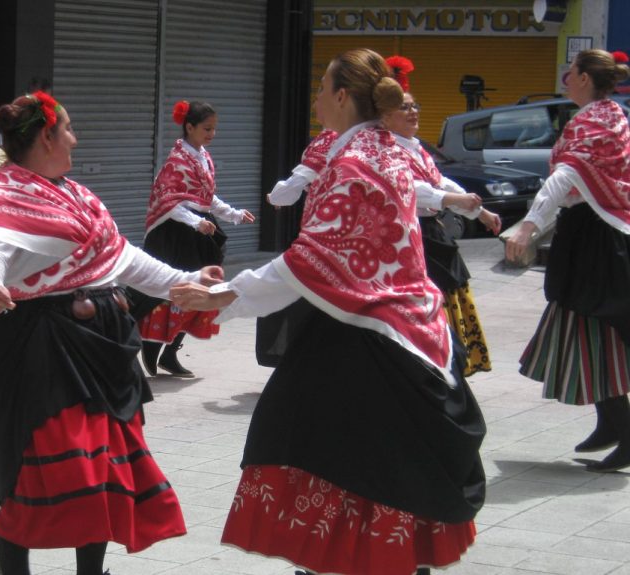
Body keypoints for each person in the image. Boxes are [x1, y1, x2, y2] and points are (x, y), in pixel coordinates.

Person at [171, 49, 485, 575]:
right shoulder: (382, 150)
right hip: (406, 326)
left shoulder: (355, 161)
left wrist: (229, 294)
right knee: (394, 466)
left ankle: (333, 562)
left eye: (322, 86)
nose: (316, 95)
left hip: (365, 334)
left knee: (326, 452)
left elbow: (310, 258)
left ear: (342, 96)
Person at [0, 91, 223, 574]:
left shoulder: (77, 196)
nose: (75, 139)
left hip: (103, 344)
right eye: (67, 129)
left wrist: (183, 282)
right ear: (47, 136)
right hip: (42, 346)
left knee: (106, 470)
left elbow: (122, 258)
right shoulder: (4, 194)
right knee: (39, 466)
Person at [506, 48, 630, 473]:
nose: (565, 79)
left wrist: (529, 225)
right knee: (581, 327)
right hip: (598, 234)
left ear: (584, 78)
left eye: (570, 72)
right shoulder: (611, 115)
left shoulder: (593, 121)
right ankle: (610, 423)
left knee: (593, 328)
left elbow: (566, 177)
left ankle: (624, 428)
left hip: (594, 239)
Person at [382, 55, 501, 376]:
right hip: (408, 236)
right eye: (404, 107)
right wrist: (453, 198)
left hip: (431, 232)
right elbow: (412, 189)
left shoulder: (415, 147)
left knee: (449, 288)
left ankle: (450, 360)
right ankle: (430, 361)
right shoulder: (387, 148)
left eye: (414, 105)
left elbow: (439, 181)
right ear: (385, 115)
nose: (413, 112)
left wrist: (480, 211)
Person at [134, 100, 254, 378]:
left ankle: (171, 351)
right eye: (207, 128)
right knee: (169, 289)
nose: (212, 134)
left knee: (204, 289)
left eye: (214, 129)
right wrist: (195, 221)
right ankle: (150, 344)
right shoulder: (176, 162)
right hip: (175, 234)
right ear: (189, 127)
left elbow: (205, 197)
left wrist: (233, 214)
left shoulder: (201, 157)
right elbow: (168, 201)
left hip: (199, 230)